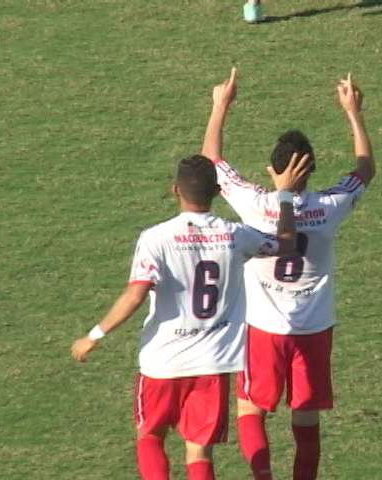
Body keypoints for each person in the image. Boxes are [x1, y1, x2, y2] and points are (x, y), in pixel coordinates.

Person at [70, 128, 312, 478]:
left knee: (150, 435)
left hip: (162, 361)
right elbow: (285, 244)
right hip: (213, 365)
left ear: (175, 191)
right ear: (217, 192)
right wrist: (285, 195)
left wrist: (93, 335)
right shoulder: (235, 234)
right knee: (200, 452)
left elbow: (136, 294)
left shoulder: (156, 238)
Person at [201, 69, 375, 480]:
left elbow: (212, 162)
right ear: (311, 170)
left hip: (263, 329)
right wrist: (353, 112)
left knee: (250, 409)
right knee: (307, 422)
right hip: (314, 328)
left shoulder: (254, 204)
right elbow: (364, 170)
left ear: (271, 170)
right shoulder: (330, 207)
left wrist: (220, 106)